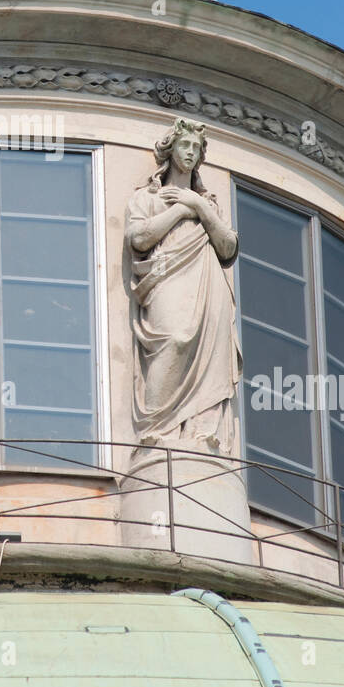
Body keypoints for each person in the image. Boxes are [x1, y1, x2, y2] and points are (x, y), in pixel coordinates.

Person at [125, 117, 241, 454]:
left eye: (195, 148)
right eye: (184, 145)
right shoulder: (147, 198)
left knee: (212, 353)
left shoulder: (210, 204)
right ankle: (156, 429)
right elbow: (140, 237)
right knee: (173, 339)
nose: (189, 152)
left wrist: (201, 206)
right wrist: (181, 209)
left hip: (208, 284)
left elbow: (228, 247)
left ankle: (204, 434)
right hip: (165, 276)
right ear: (171, 150)